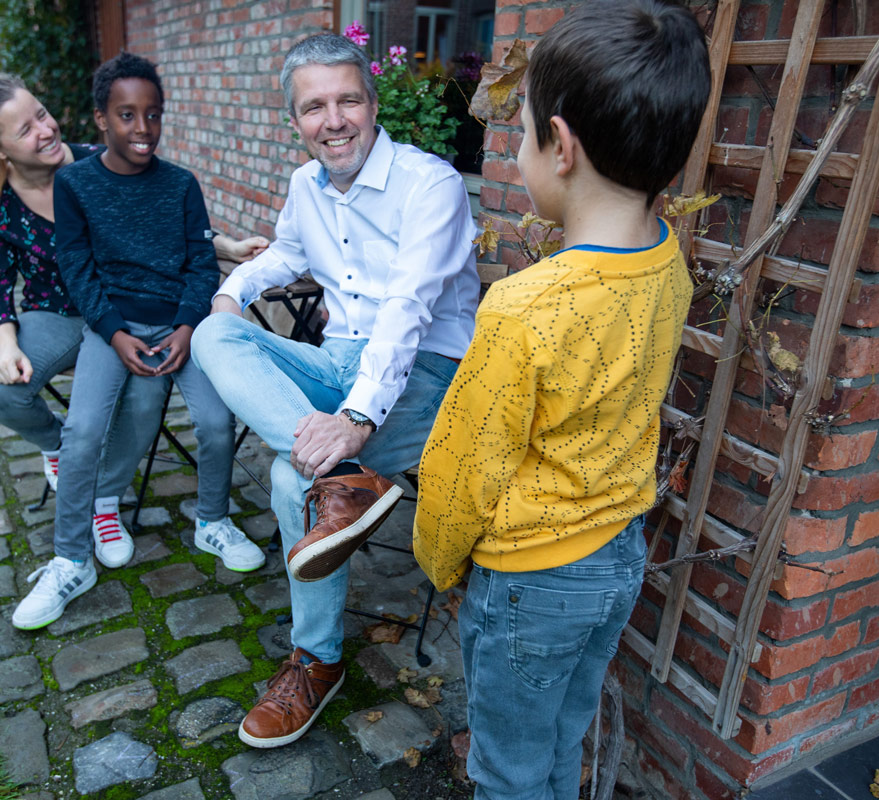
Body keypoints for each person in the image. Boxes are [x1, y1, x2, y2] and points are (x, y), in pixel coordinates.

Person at [411, 2, 711, 797]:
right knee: (559, 743)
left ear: (561, 146)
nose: (515, 153)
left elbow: (465, 465)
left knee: (506, 769)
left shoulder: (526, 307)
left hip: (532, 581)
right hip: (618, 558)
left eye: (519, 135)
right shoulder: (668, 264)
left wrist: (438, 560)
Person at [191, 33, 479, 748]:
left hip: (427, 369)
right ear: (295, 121)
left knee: (290, 477)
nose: (334, 120)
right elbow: (287, 253)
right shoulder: (305, 186)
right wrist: (232, 293)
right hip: (337, 358)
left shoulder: (431, 184)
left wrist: (355, 416)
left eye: (348, 100)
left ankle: (316, 662)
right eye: (314, 107)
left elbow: (408, 310)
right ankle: (345, 481)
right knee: (212, 335)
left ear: (374, 105)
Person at [8, 53, 268, 630]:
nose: (143, 127)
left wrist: (187, 326)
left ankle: (212, 521)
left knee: (216, 421)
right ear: (102, 119)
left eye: (153, 114)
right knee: (81, 432)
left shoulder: (181, 184)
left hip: (182, 325)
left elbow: (201, 262)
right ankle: (71, 560)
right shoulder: (75, 183)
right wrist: (114, 333)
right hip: (113, 327)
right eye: (127, 115)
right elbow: (76, 268)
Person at [0, 73, 266, 500]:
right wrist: (5, 344)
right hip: (57, 313)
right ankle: (59, 446)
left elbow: (166, 229)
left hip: (129, 309)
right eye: (26, 130)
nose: (46, 130)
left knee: (144, 393)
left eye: (43, 114)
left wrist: (226, 247)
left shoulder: (103, 159)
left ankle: (104, 493)